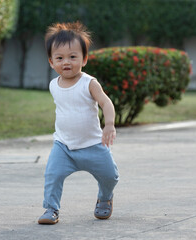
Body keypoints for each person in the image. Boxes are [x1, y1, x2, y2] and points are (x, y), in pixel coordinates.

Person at [38, 22, 119, 224]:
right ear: (51, 61)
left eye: (73, 57)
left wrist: (109, 124)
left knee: (110, 176)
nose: (66, 62)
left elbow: (105, 102)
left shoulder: (89, 83)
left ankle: (105, 198)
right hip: (64, 146)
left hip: (93, 145)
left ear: (84, 59)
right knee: (52, 176)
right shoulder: (53, 85)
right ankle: (51, 209)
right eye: (60, 58)